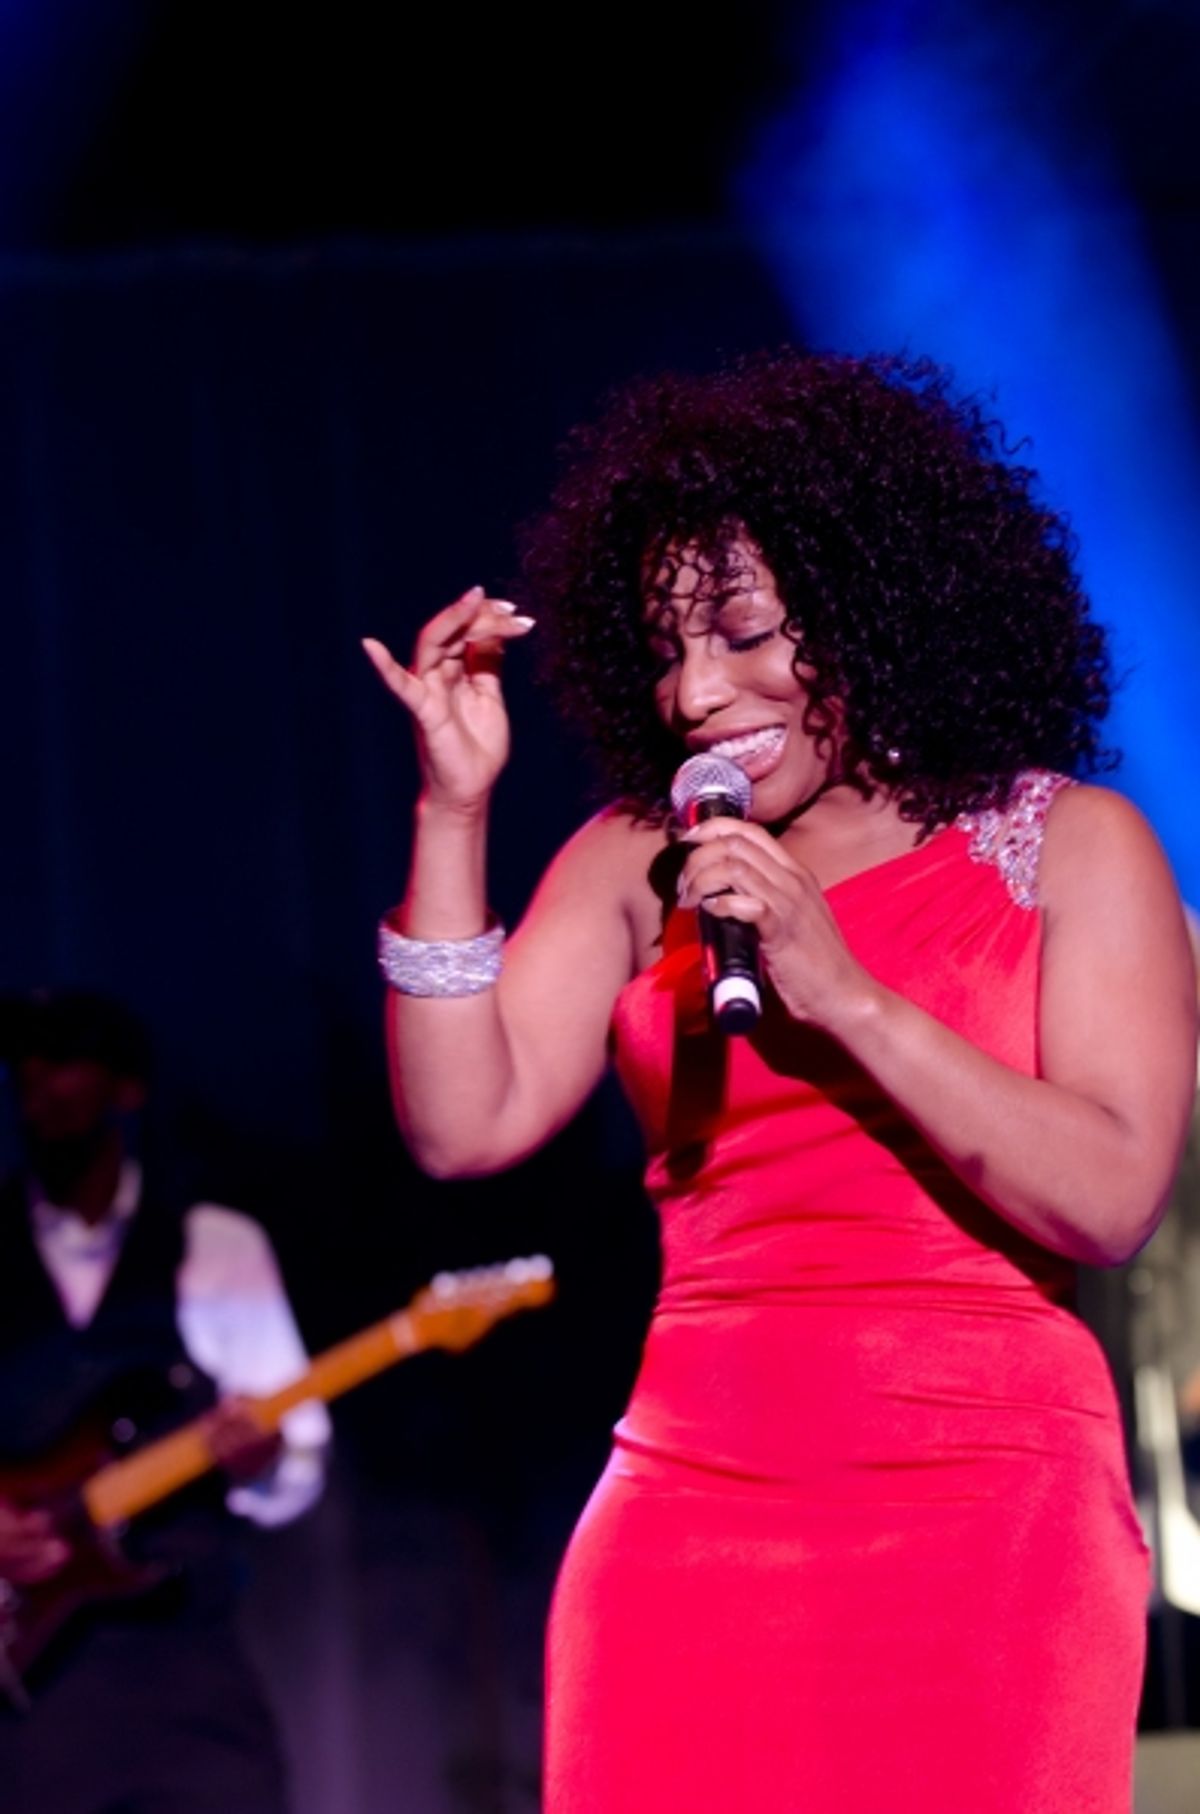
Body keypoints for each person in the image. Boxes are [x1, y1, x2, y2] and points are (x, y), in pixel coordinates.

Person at [362, 348, 1197, 1811]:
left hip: (988, 1505)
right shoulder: (640, 854)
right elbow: (462, 1120)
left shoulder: (1071, 845)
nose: (695, 690)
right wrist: (454, 808)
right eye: (668, 644)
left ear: (877, 604)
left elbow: (1115, 1194)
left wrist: (849, 997)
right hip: (691, 1501)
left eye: (743, 632)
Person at [0, 988, 331, 1814]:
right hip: (26, 1685)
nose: (43, 1083)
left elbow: (294, 1459)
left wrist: (261, 1460)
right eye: (26, 1064)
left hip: (184, 1665)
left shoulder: (214, 1244)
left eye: (67, 1058)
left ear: (125, 1089)